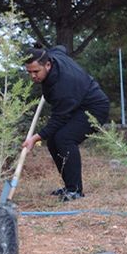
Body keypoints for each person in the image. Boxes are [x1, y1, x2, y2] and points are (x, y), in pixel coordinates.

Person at [22, 45, 110, 201]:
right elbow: (61, 48)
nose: (33, 76)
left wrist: (35, 138)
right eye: (29, 72)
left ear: (47, 65)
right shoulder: (53, 55)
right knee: (53, 142)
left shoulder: (62, 85)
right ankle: (70, 185)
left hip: (94, 108)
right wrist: (41, 48)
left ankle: (75, 191)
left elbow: (59, 119)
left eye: (36, 72)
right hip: (77, 105)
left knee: (64, 138)